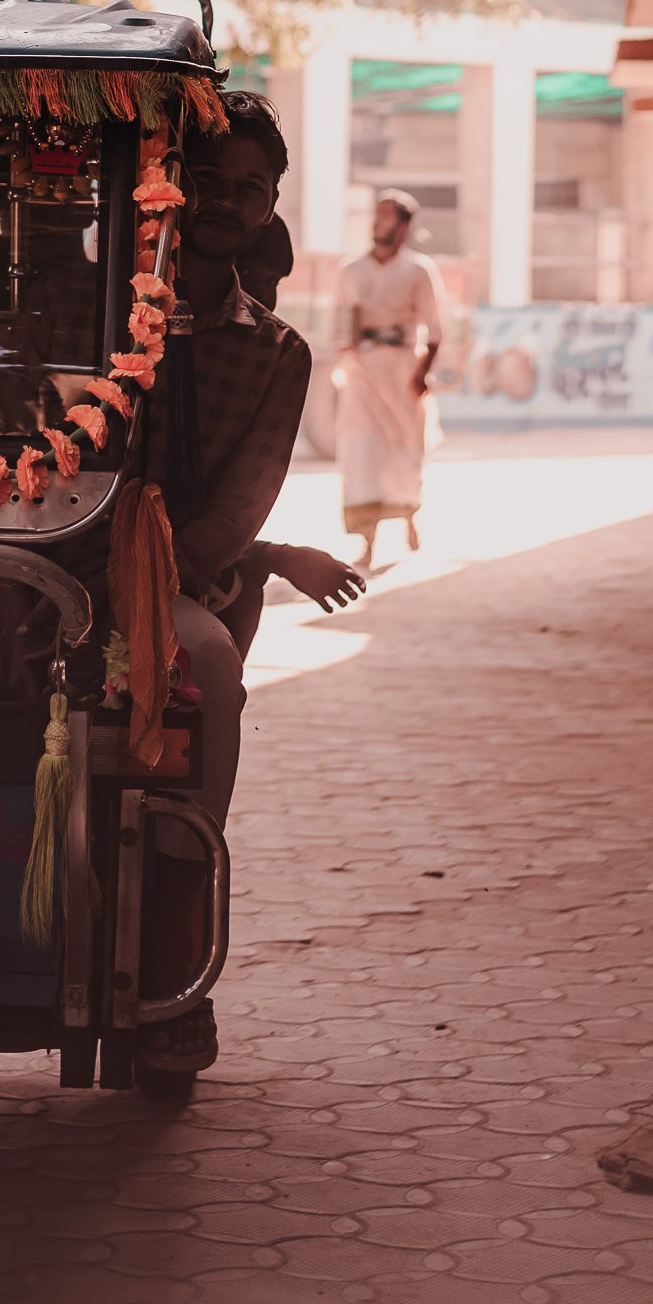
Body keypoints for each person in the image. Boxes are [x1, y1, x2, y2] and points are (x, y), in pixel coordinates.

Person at [141, 94, 363, 1079]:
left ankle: (176, 962)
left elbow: (240, 508)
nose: (226, 200)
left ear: (269, 209)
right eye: (210, 178)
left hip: (170, 590)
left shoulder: (278, 353)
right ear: (169, 180)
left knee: (211, 663)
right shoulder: (89, 304)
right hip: (31, 565)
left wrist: (151, 571)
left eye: (251, 189)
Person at [333, 187, 444, 573]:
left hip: (403, 373)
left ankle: (410, 517)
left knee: (404, 453)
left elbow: (435, 329)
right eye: (375, 214)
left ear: (404, 224)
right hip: (362, 374)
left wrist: (422, 373)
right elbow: (341, 323)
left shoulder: (419, 270)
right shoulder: (351, 269)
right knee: (362, 452)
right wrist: (347, 361)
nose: (376, 222)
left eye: (386, 215)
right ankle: (368, 542)